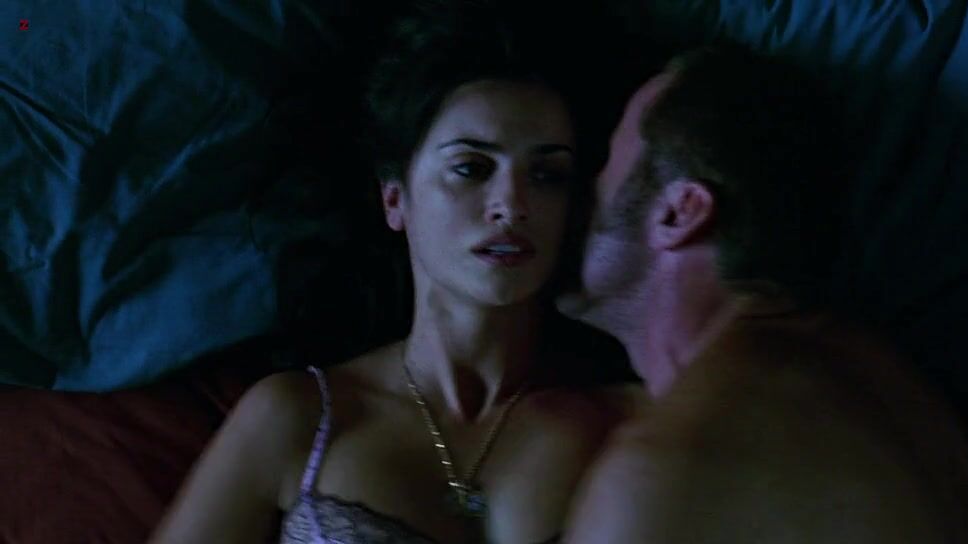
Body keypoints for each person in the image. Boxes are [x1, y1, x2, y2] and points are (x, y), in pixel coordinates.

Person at [151, 2, 635, 543]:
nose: (512, 205)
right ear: (395, 199)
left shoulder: (618, 423)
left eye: (547, 174)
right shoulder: (299, 417)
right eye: (471, 168)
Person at [555, 46, 968, 543]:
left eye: (606, 164)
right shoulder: (901, 399)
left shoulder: (661, 472)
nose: (577, 192)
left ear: (679, 213)